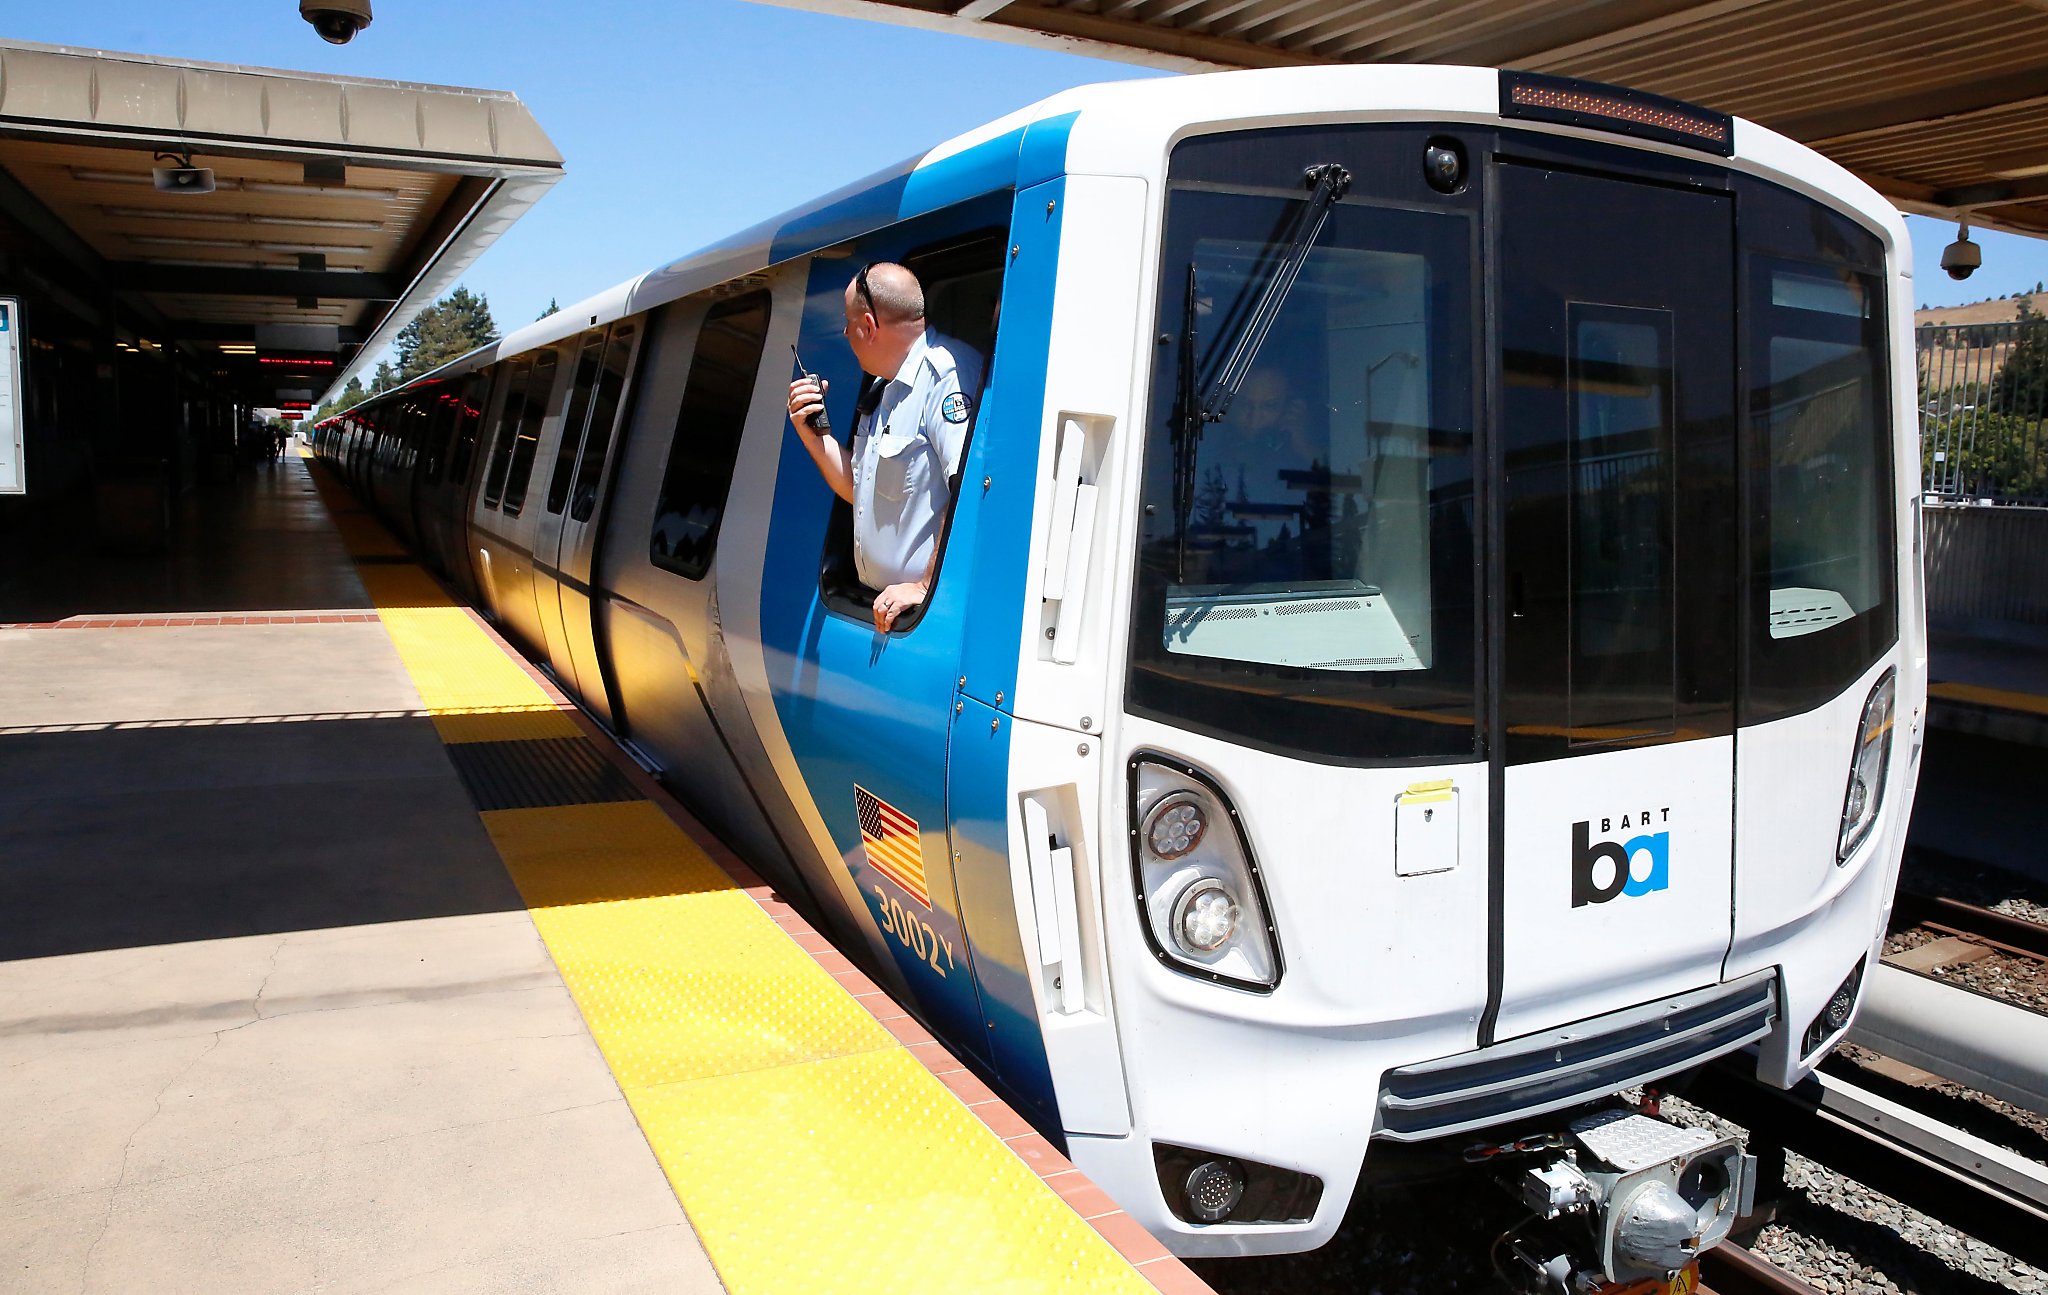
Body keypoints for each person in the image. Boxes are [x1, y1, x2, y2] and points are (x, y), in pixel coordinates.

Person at [786, 262, 983, 631]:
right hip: (878, 609)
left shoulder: (946, 376)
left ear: (868, 326)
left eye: (848, 323)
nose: (845, 333)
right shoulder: (883, 390)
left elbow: (969, 487)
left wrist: (926, 585)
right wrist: (814, 437)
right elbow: (860, 490)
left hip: (920, 621)